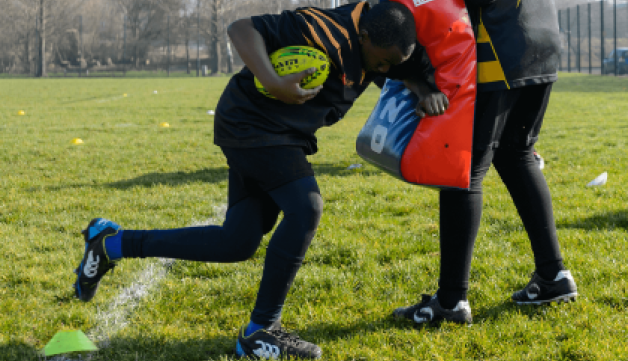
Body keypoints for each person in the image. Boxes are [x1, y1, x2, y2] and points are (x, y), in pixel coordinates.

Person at [72, 2, 417, 359]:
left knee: (237, 242)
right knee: (305, 207)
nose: (387, 70)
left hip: (279, 132)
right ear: (363, 37)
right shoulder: (319, 28)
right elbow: (241, 28)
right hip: (251, 124)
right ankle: (260, 331)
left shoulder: (377, 37)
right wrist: (272, 81)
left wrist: (424, 89)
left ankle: (110, 243)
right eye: (384, 62)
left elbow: (403, 67)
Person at [392, 0, 577, 325]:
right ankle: (553, 275)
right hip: (541, 40)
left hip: (496, 46)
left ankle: (450, 301)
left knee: (461, 169)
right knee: (516, 154)